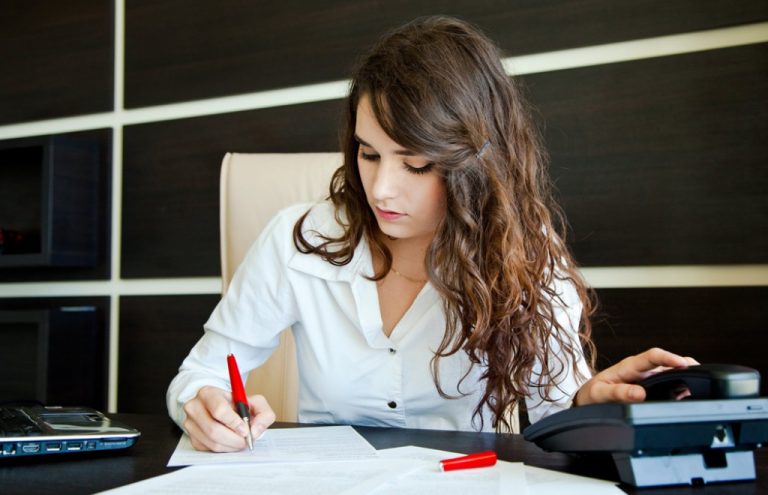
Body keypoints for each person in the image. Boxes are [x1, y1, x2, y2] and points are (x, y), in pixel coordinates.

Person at [167, 15, 696, 452]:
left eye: (416, 165)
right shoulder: (299, 237)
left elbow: (553, 416)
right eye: (368, 154)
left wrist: (588, 404)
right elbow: (199, 374)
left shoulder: (525, 252)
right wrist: (204, 404)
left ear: (476, 164)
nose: (381, 189)